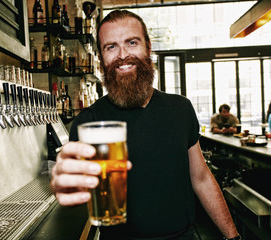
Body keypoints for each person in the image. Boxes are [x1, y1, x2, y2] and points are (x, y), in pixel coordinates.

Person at [50, 10, 240, 240]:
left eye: (131, 42)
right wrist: (65, 184)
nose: (122, 55)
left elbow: (200, 178)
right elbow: (79, 188)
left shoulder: (180, 109)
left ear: (148, 47)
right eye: (111, 47)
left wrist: (233, 237)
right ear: (101, 59)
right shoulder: (89, 122)